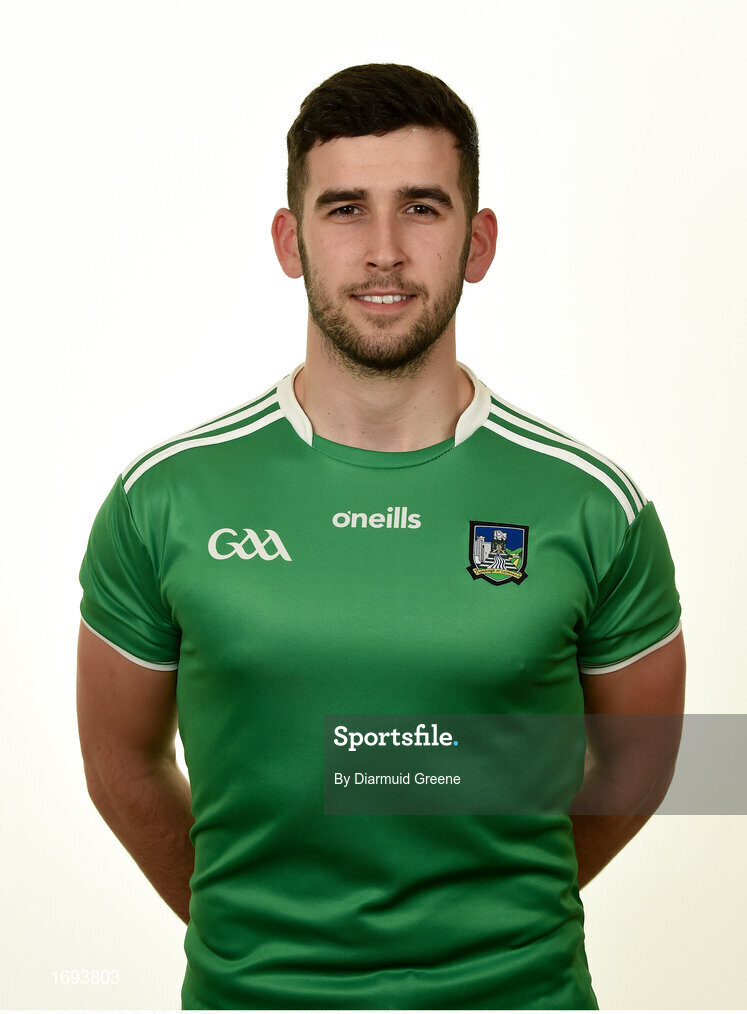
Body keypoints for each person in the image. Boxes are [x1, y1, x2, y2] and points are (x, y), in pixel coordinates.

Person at [76, 63, 685, 1010]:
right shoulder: (167, 499)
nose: (386, 251)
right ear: (291, 240)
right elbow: (122, 766)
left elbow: (640, 763)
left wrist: (497, 922)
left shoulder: (591, 506)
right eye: (346, 209)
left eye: (424, 209)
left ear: (477, 242)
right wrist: (253, 940)